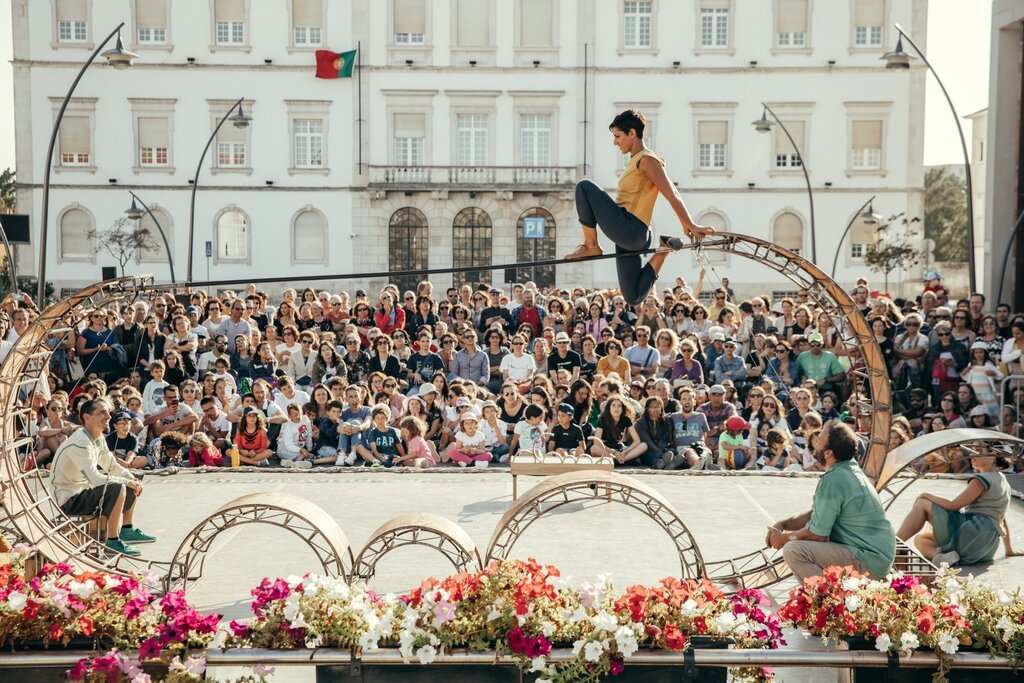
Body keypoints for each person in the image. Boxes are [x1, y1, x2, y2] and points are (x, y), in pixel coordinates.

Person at [565, 109, 714, 305]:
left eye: (618, 136)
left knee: (584, 187)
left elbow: (671, 192)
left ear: (632, 133)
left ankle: (591, 245)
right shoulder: (636, 161)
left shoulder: (647, 160)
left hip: (631, 229)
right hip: (631, 234)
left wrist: (689, 224)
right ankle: (663, 250)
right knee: (633, 296)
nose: (615, 142)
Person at [766, 421, 896, 581]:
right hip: (877, 557)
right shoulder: (849, 469)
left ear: (828, 453)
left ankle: (826, 596)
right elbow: (817, 514)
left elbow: (817, 534)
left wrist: (784, 538)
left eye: (819, 439)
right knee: (800, 545)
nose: (814, 441)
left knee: (794, 550)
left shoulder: (833, 479)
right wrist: (784, 524)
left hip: (868, 560)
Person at [51, 398, 154, 557]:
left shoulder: (98, 437)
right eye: (102, 413)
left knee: (132, 478)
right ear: (87, 417)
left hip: (83, 492)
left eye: (107, 412)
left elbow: (112, 466)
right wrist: (127, 482)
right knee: (118, 486)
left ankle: (127, 529)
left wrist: (131, 479)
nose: (108, 416)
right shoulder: (80, 442)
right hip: (69, 501)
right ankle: (112, 541)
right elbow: (95, 478)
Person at [897, 446, 1022, 567]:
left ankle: (894, 544)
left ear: (993, 456)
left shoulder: (982, 479)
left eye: (978, 450)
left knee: (922, 502)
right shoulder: (1002, 478)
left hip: (973, 533)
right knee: (919, 539)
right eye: (972, 450)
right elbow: (1001, 517)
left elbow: (953, 505)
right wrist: (1009, 549)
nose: (971, 454)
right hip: (987, 546)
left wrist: (926, 495)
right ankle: (942, 557)